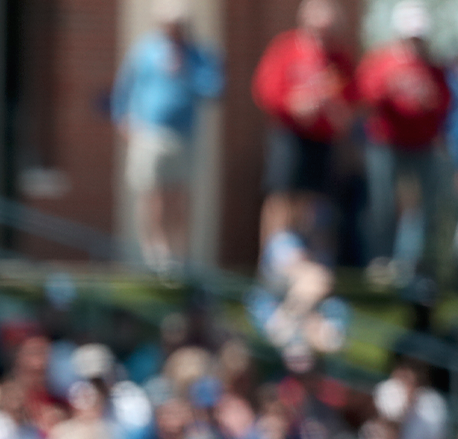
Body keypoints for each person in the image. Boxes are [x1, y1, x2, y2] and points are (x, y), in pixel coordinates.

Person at [111, 0, 224, 273]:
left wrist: (186, 71)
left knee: (180, 197)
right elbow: (125, 87)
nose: (174, 29)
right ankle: (154, 255)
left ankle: (179, 254)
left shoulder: (199, 55)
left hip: (184, 136)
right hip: (149, 133)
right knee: (152, 195)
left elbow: (214, 90)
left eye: (179, 24)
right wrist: (122, 118)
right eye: (169, 24)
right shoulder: (145, 51)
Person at [356, 0, 450, 287]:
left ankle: (417, 263)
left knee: (426, 208)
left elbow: (444, 103)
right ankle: (380, 261)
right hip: (386, 143)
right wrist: (393, 88)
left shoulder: (432, 67)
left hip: (422, 145)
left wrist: (426, 103)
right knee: (383, 204)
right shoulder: (381, 62)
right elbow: (366, 96)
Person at [251, 0, 356, 252]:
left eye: (328, 29)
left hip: (323, 140)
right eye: (317, 28)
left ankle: (310, 261)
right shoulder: (286, 48)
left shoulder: (339, 59)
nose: (322, 35)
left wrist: (334, 108)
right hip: (289, 136)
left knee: (315, 204)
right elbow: (264, 91)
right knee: (282, 198)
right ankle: (273, 261)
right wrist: (294, 104)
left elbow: (351, 103)